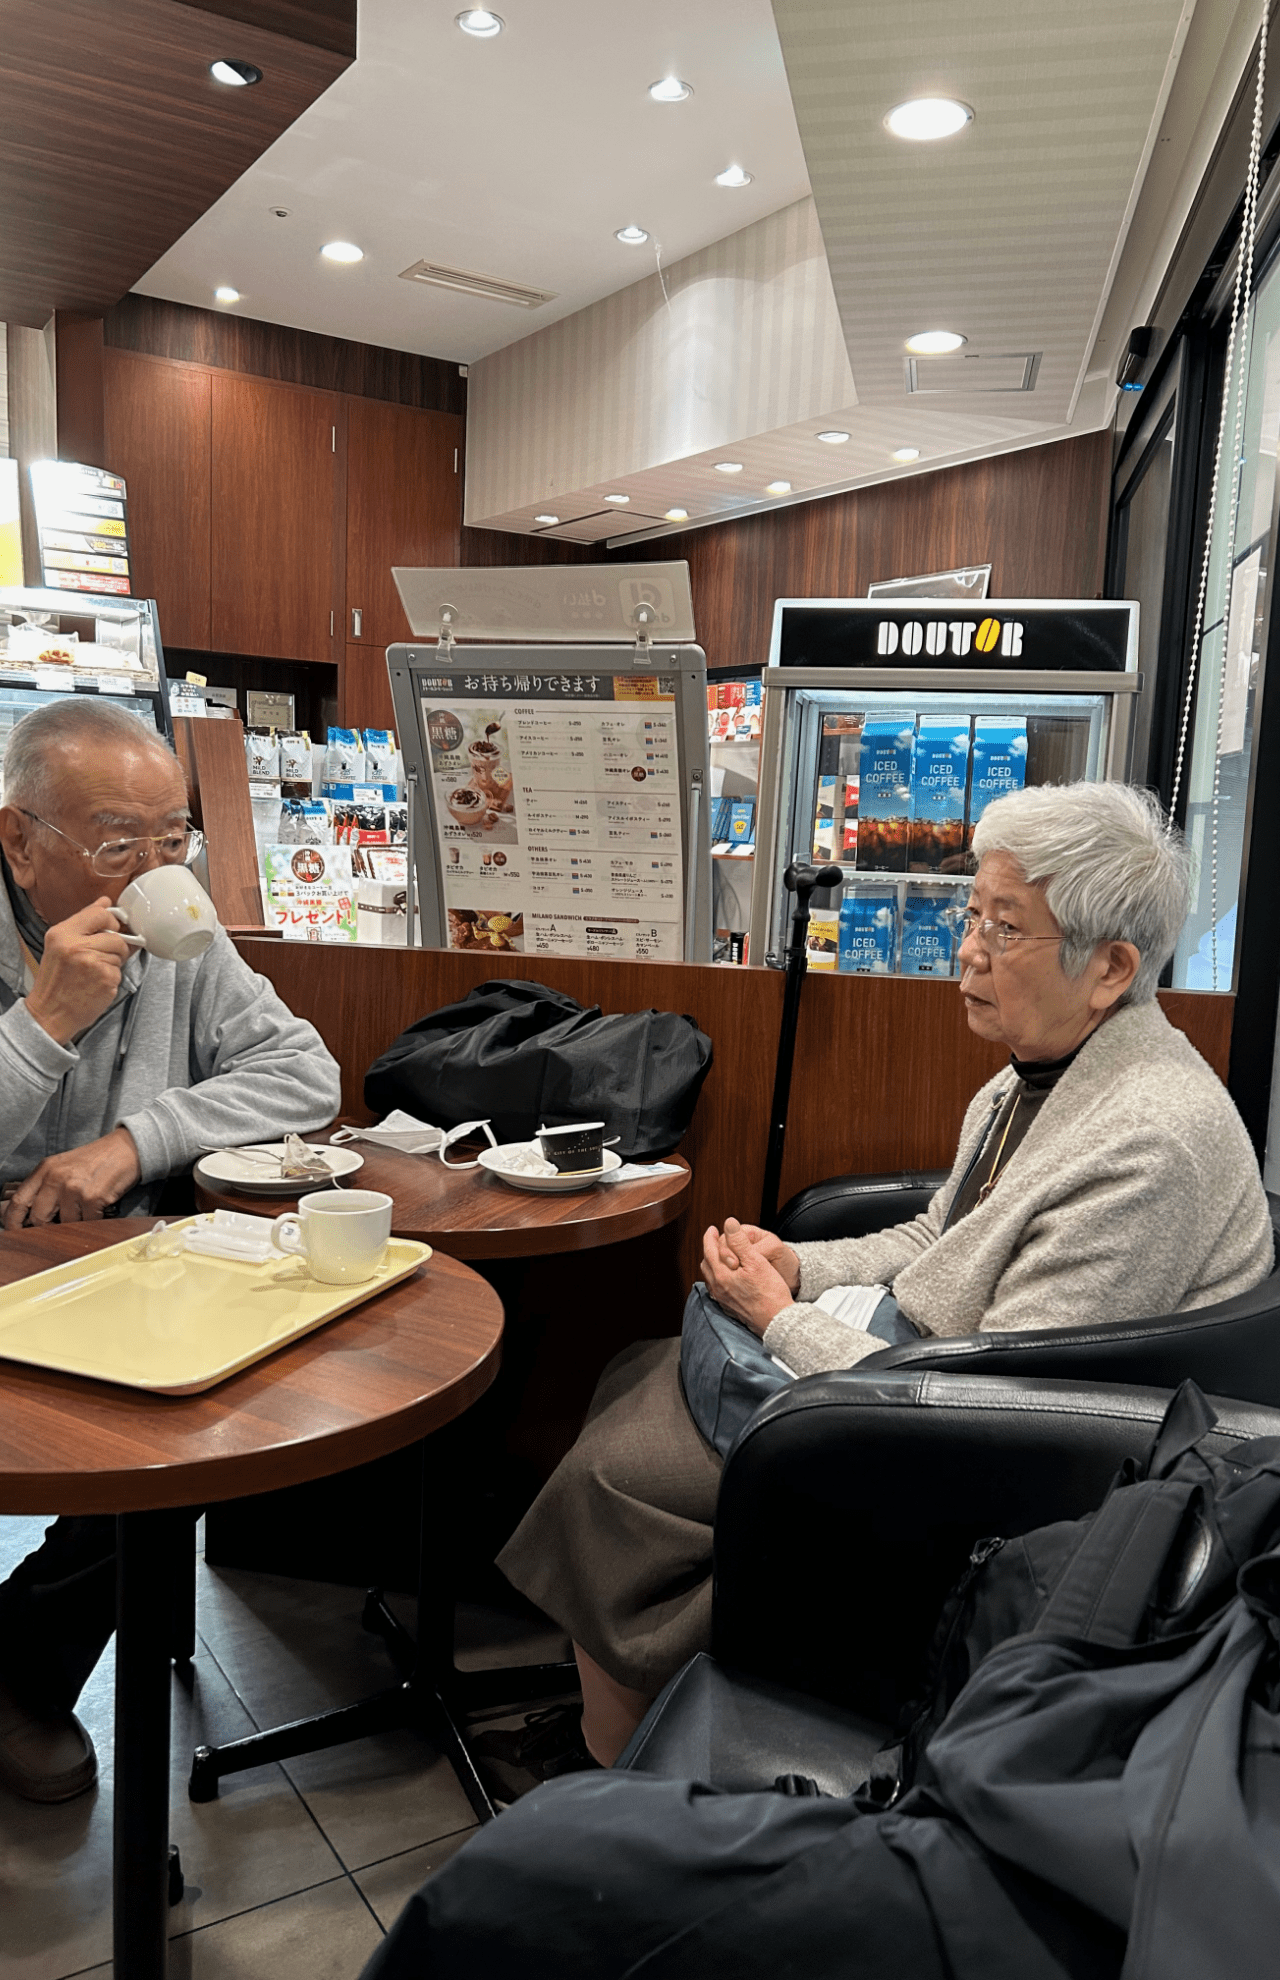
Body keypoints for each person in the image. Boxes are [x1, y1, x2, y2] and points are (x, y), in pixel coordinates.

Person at [480, 780, 1273, 1794]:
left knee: (617, 1472)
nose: (967, 951)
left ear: (1109, 968)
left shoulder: (1146, 1144)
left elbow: (1002, 1404)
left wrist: (780, 1321)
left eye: (1005, 928)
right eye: (970, 915)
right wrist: (800, 1266)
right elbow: (942, 1236)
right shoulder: (1037, 1071)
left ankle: (605, 1775)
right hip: (945, 1373)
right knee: (637, 1368)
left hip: (1007, 1468)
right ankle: (624, 1719)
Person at [0, 698, 342, 1803]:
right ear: (17, 837)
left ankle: (19, 1675)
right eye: (116, 841)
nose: (152, 866)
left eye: (172, 837)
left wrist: (132, 1141)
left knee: (188, 1430)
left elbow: (306, 1075)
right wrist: (41, 1025)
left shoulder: (181, 942)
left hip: (125, 1248)